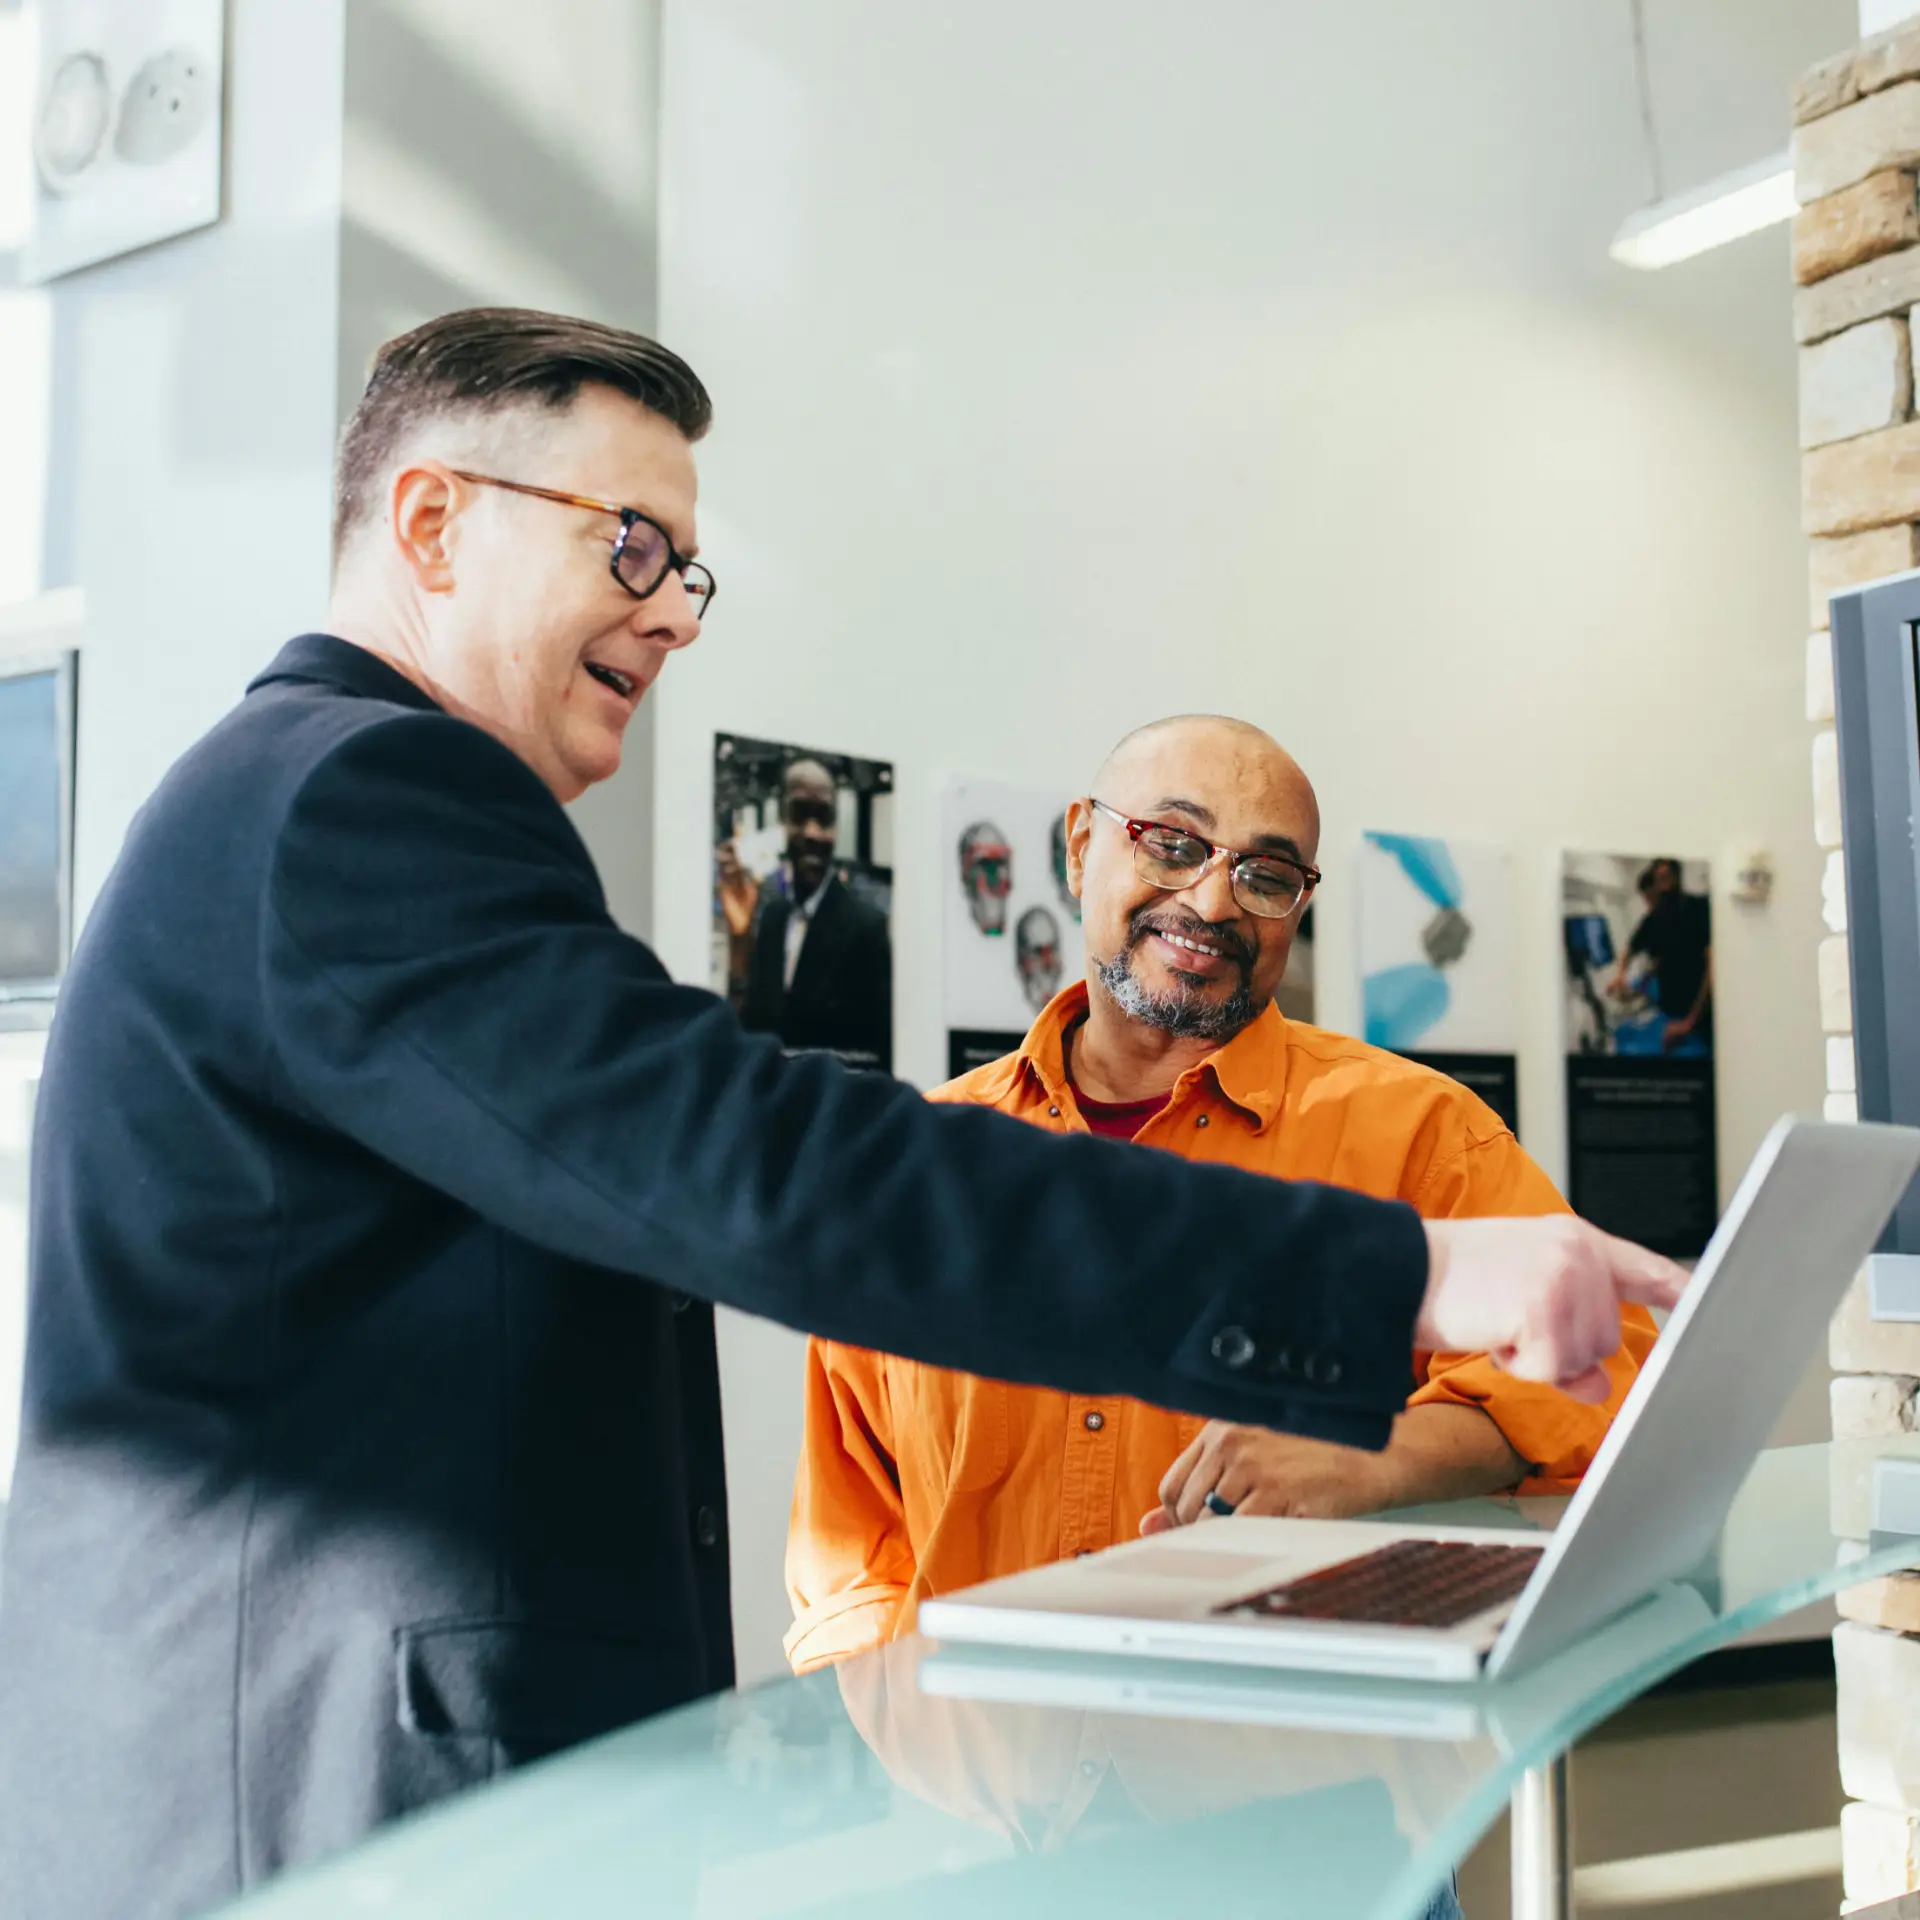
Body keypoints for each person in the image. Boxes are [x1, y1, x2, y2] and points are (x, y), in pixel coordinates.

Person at [0, 309, 1681, 1920]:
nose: (673, 615)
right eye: (631, 545)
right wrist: (1390, 1281)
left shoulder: (308, 801)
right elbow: (759, 1169)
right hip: (318, 1815)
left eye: (688, 570)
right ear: (433, 523)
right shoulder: (359, 796)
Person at [787, 717, 1657, 1670]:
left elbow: (1610, 1367)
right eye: (1172, 843)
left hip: (1288, 1774)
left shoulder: (1420, 1134)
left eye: (1267, 875)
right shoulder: (928, 1164)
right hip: (983, 1784)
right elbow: (852, 1541)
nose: (1212, 901)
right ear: (1082, 846)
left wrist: (1375, 1456)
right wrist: (900, 1753)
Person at [718, 756, 892, 1069]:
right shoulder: (772, 917)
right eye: (800, 815)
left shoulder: (867, 928)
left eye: (824, 819)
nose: (811, 833)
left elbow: (877, 1059)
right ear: (782, 821)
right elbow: (748, 1032)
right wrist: (739, 940)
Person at [1609, 856, 1712, 1055]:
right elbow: (1631, 949)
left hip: (1698, 1018)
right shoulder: (1655, 919)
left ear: (1677, 877)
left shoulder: (1698, 908)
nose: (1663, 886)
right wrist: (1620, 976)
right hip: (1667, 1013)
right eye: (1659, 879)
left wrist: (1689, 1022)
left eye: (1666, 877)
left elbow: (1713, 966)